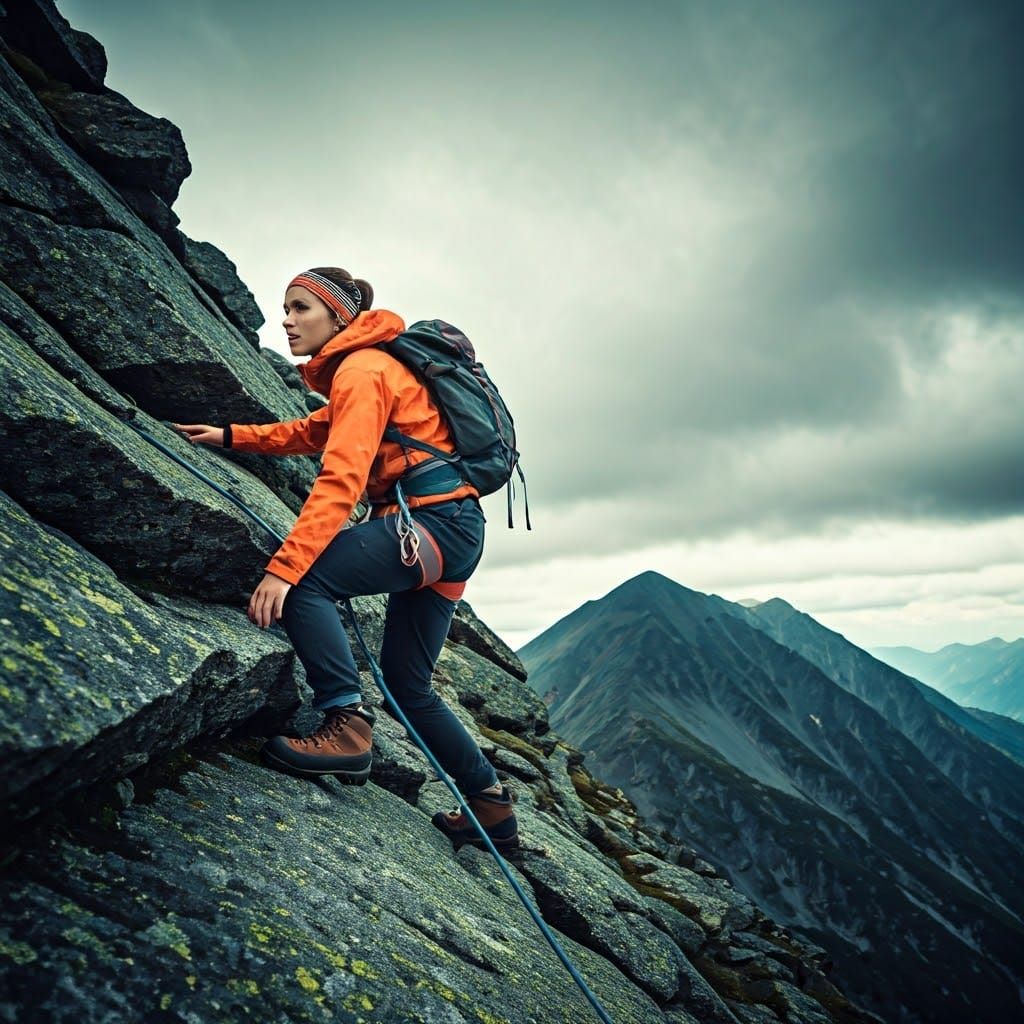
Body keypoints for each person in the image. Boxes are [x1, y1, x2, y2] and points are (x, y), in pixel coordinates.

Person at [172, 267, 517, 852]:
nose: (287, 319)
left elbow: (342, 476)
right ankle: (491, 807)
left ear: (338, 318)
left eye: (301, 307)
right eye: (286, 308)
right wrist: (231, 436)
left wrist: (284, 568)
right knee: (411, 688)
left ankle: (346, 724)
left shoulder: (361, 369)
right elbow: (313, 431)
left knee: (306, 585)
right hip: (454, 532)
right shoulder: (374, 368)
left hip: (428, 524)